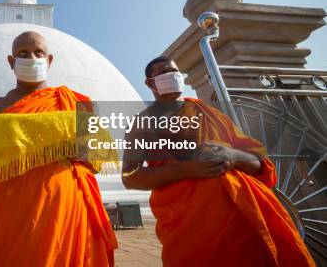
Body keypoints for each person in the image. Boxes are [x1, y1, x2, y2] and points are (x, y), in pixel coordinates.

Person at [121, 55, 315, 267]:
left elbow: (260, 164)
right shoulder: (140, 124)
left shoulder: (209, 112)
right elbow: (130, 177)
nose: (173, 76)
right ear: (150, 83)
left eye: (175, 72)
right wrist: (187, 169)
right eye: (165, 73)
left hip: (245, 215)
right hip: (190, 226)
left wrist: (233, 156)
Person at [0, 31, 118, 267]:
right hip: (5, 215)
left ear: (50, 60)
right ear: (11, 61)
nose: (32, 57)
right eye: (23, 53)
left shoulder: (76, 103)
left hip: (61, 213)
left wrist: (56, 146)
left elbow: (97, 157)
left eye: (39, 52)